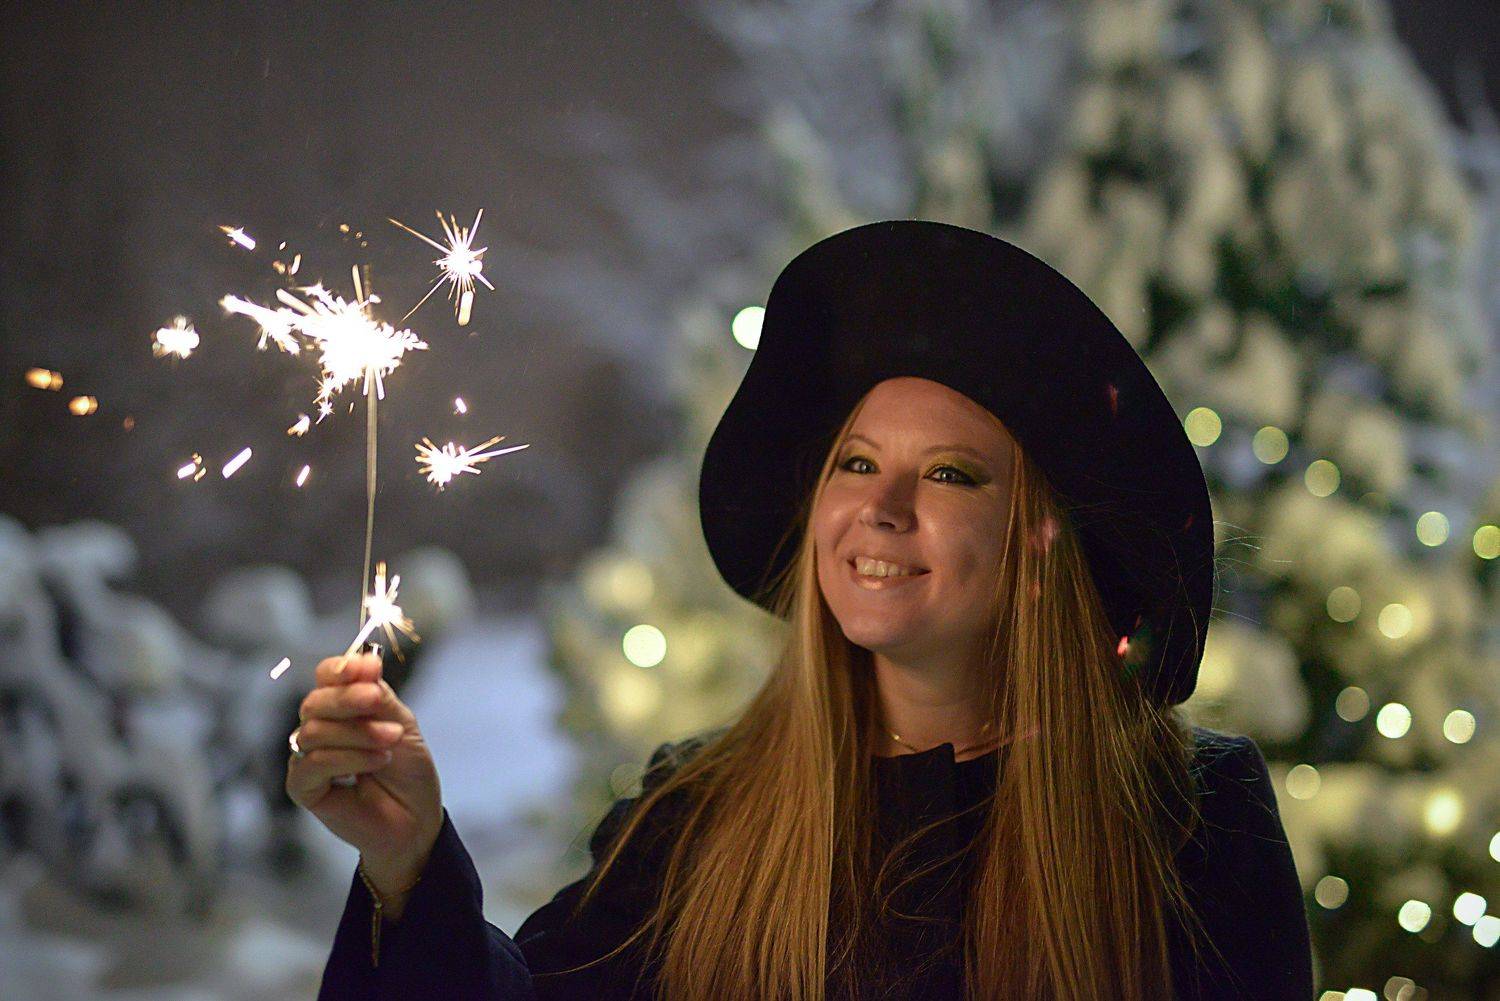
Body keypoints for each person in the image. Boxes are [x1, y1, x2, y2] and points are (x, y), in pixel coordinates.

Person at [294, 220, 1316, 999]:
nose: (882, 507)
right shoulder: (697, 816)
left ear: (1042, 542)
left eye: (950, 473)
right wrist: (407, 866)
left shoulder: (1189, 819)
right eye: (856, 462)